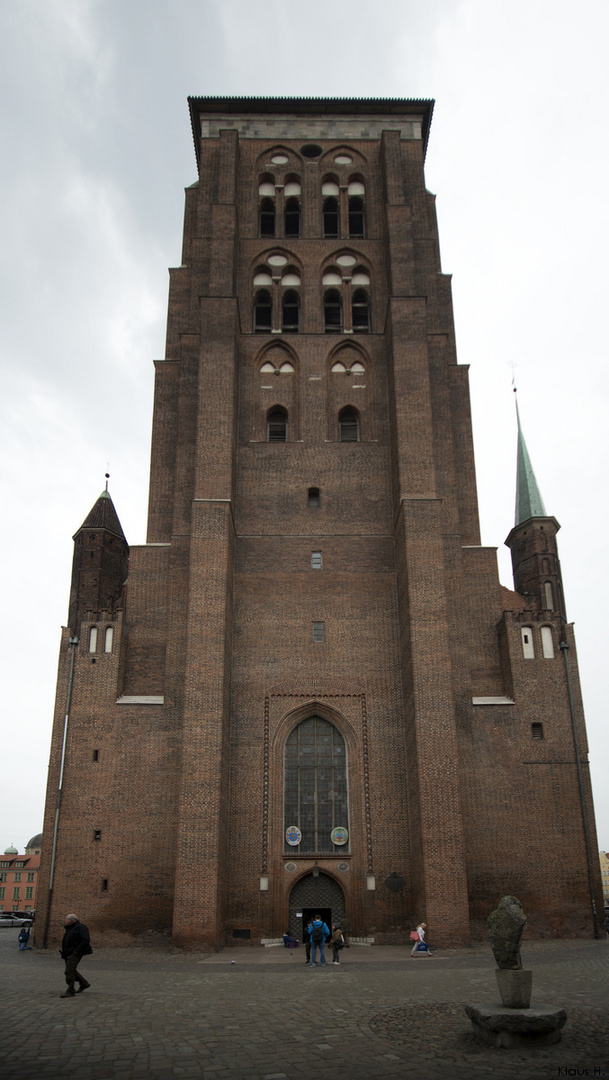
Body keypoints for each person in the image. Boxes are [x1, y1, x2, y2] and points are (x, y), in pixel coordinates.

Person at [60, 914, 93, 997]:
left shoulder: (81, 927)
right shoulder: (70, 928)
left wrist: (77, 951)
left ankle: (70, 990)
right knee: (71, 970)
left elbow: (86, 939)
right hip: (67, 952)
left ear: (72, 920)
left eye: (67, 919)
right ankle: (84, 983)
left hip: (75, 952)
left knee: (69, 971)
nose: (65, 921)